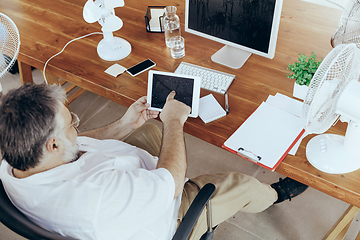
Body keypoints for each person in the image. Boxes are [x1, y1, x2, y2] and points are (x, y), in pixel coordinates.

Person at [0, 83, 308, 240]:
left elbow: (77, 143)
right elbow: (172, 183)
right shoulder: (97, 200)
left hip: (120, 175)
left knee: (147, 128)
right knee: (242, 184)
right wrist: (174, 123)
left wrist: (124, 124)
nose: (77, 126)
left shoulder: (16, 160)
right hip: (161, 213)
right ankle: (276, 195)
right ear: (53, 144)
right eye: (72, 122)